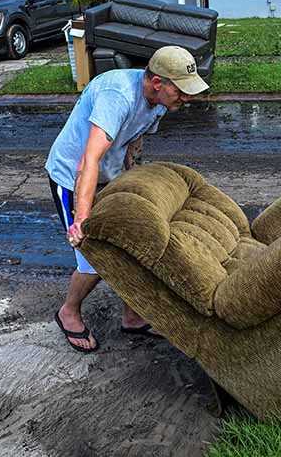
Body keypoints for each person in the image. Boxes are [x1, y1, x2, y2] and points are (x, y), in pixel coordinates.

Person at [46, 45, 209, 353]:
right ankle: (68, 312)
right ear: (158, 82)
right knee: (93, 256)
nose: (187, 98)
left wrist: (131, 178)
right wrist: (82, 219)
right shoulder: (117, 95)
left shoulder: (160, 102)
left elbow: (135, 138)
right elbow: (88, 162)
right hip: (72, 177)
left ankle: (132, 316)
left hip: (110, 173)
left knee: (131, 244)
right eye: (182, 91)